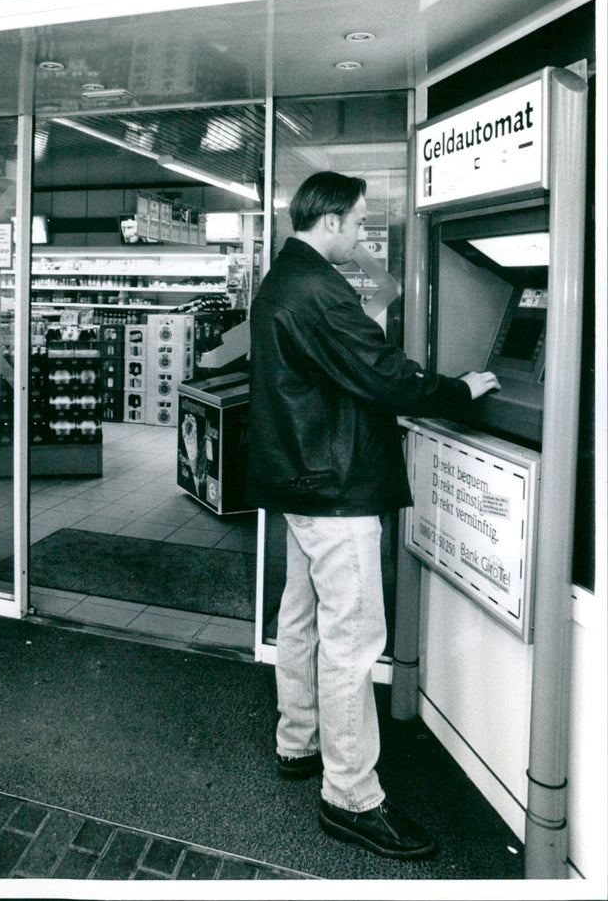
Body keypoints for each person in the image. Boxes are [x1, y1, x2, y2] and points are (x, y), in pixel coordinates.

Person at [245, 171, 500, 861]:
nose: (360, 235)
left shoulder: (280, 280)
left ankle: (297, 743)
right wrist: (462, 390)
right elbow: (383, 373)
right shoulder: (320, 289)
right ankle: (351, 796)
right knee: (353, 641)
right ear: (329, 221)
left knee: (299, 619)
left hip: (301, 482)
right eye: (357, 223)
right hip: (337, 489)